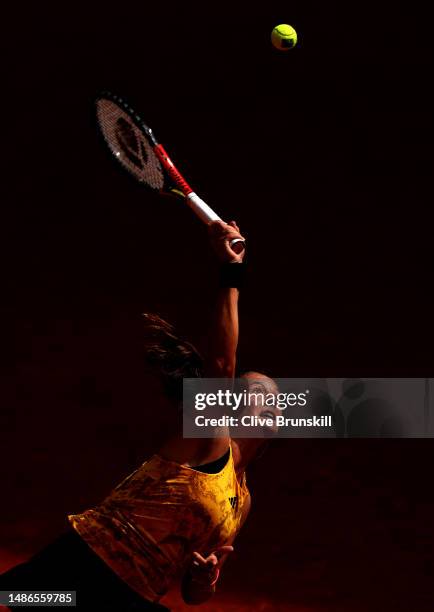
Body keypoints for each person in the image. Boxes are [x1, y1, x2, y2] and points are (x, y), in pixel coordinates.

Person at [0, 220, 278, 610]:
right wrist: (232, 272)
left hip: (130, 596)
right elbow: (220, 360)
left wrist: (205, 577)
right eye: (256, 392)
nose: (270, 402)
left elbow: (194, 594)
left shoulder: (242, 501)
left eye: (276, 400)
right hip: (84, 568)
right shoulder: (209, 439)